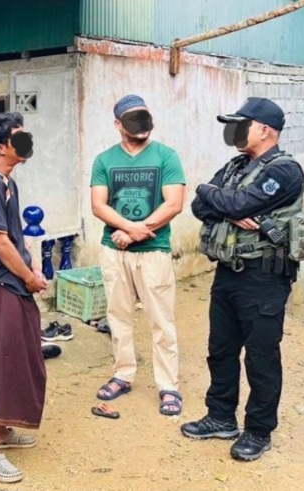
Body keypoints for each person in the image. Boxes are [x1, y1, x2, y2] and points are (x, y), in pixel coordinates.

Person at [183, 98, 304, 461]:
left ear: (265, 130)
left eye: (241, 125)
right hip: (227, 274)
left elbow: (235, 204)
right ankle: (220, 417)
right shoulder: (236, 166)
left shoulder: (284, 171)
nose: (234, 131)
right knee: (220, 350)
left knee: (261, 357)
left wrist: (214, 195)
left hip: (264, 278)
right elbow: (199, 206)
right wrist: (220, 202)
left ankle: (258, 430)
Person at [90, 94, 186, 416]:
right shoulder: (104, 160)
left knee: (162, 320)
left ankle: (168, 385)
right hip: (114, 251)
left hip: (153, 251)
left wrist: (133, 232)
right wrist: (130, 229)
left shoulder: (166, 156)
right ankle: (123, 374)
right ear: (118, 124)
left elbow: (174, 203)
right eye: (133, 118)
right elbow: (98, 205)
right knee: (118, 316)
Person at [0, 112, 48, 484]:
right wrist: (29, 277)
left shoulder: (7, 182)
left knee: (19, 356)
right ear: (2, 147)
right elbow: (0, 242)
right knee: (1, 362)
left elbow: (15, 238)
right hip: (3, 285)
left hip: (15, 282)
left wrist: (32, 268)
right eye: (20, 137)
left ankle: (2, 430)